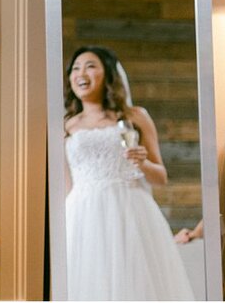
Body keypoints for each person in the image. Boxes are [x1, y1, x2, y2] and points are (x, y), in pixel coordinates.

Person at [63, 45, 194, 301]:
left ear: (108, 74)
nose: (81, 73)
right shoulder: (67, 126)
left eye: (90, 66)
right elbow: (67, 185)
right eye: (76, 68)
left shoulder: (135, 117)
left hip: (129, 210)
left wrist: (142, 163)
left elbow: (161, 178)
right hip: (81, 214)